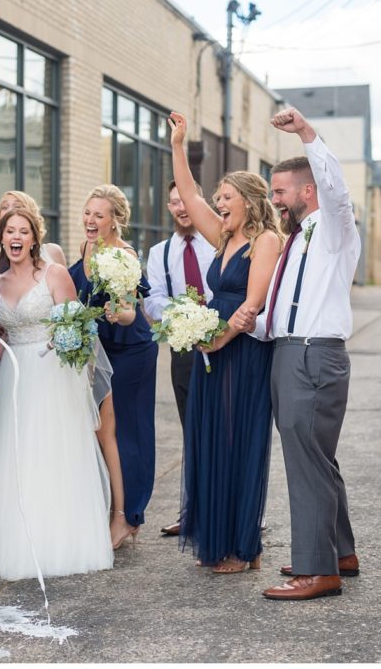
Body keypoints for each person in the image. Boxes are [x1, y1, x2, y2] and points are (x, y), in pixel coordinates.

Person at [234, 107, 361, 601]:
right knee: (317, 459)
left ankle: (316, 571)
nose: (274, 200)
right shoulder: (296, 240)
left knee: (307, 463)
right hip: (288, 353)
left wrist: (307, 133)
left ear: (308, 191)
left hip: (313, 357)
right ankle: (339, 553)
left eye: (280, 191)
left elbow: (337, 190)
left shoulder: (333, 228)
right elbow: (285, 308)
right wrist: (249, 324)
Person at [0, 202, 114, 580]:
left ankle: (61, 542)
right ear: (1, 238)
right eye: (9, 231)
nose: (16, 237)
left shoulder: (54, 274)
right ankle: (19, 542)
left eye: (23, 232)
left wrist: (64, 345)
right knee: (14, 455)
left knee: (51, 453)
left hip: (52, 376)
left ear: (34, 239)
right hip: (13, 377)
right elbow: (2, 340)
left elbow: (79, 329)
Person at [168, 111, 283, 574]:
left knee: (238, 442)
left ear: (250, 202)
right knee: (211, 440)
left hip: (242, 352)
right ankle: (225, 541)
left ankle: (241, 547)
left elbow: (252, 304)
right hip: (213, 351)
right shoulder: (223, 237)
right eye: (219, 197)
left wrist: (220, 339)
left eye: (227, 197)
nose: (218, 203)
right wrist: (178, 145)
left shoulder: (265, 241)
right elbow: (190, 195)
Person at [68, 185, 156, 544]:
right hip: (98, 352)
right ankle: (113, 509)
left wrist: (116, 313)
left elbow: (130, 311)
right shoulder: (85, 247)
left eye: (99, 215)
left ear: (115, 220)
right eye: (87, 213)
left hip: (130, 350)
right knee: (99, 430)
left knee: (123, 430)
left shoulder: (125, 255)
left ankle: (127, 517)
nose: (90, 220)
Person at [144, 180, 216, 538]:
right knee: (192, 430)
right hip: (183, 348)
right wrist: (183, 315)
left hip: (224, 341)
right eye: (174, 202)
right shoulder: (160, 253)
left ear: (199, 201)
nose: (182, 208)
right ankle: (193, 511)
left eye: (187, 199)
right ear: (169, 208)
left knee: (228, 429)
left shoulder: (219, 243)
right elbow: (153, 300)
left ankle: (242, 512)